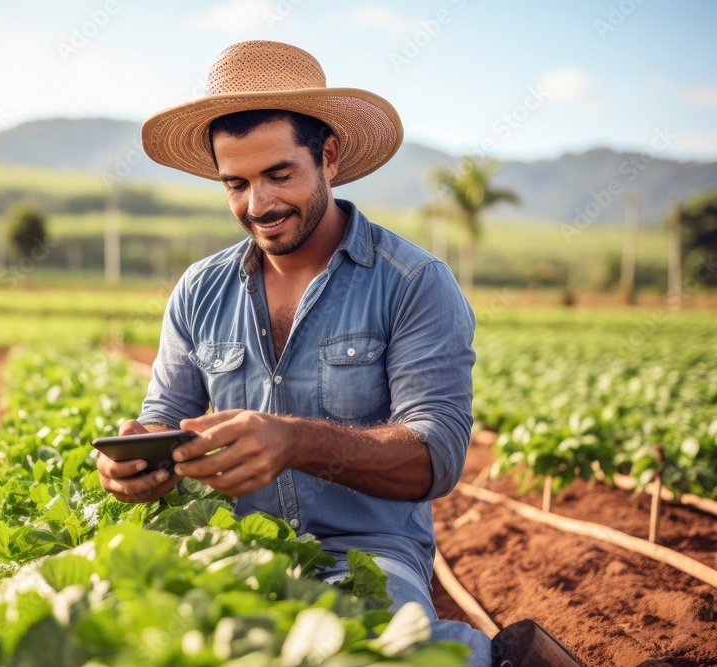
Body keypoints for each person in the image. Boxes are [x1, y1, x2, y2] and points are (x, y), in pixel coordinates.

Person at [98, 40, 577, 667]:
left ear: (329, 156)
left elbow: (437, 456)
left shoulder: (413, 282)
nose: (258, 205)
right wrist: (137, 465)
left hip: (368, 554)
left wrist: (295, 441)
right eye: (235, 184)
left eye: (278, 175)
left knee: (361, 653)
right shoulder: (199, 289)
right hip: (229, 549)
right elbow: (164, 415)